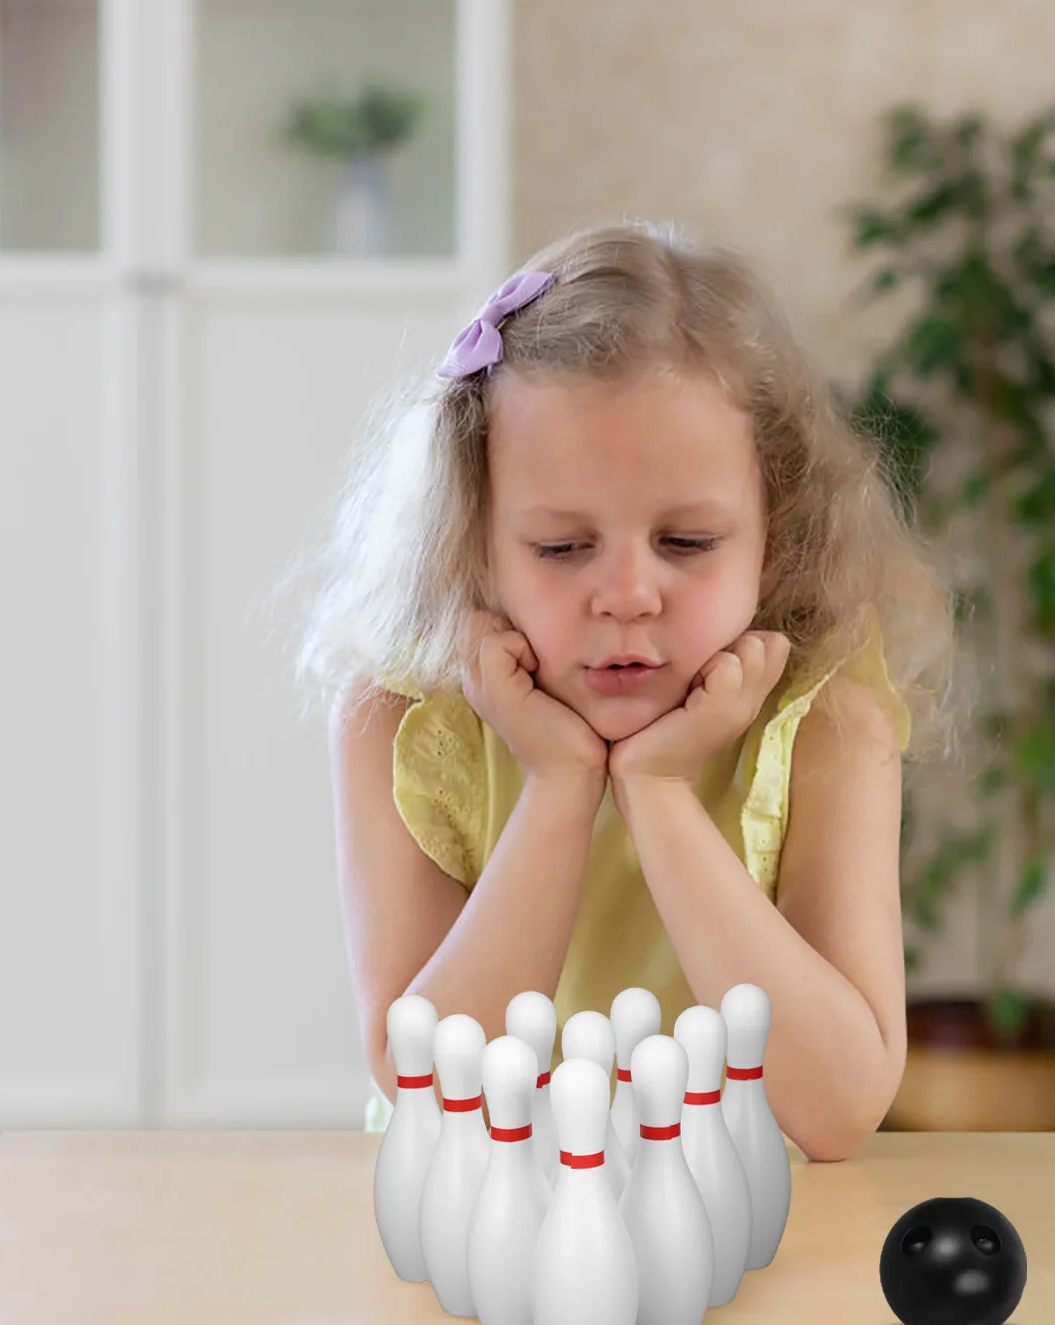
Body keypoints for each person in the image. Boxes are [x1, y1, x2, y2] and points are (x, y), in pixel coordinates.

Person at [286, 219, 957, 1162]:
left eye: (687, 544)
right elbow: (429, 1086)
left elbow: (840, 1108)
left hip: (741, 1233)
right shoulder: (398, 713)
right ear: (471, 537)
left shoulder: (827, 718)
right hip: (469, 1225)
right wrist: (559, 788)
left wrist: (658, 793)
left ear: (783, 531)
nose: (630, 595)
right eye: (562, 548)